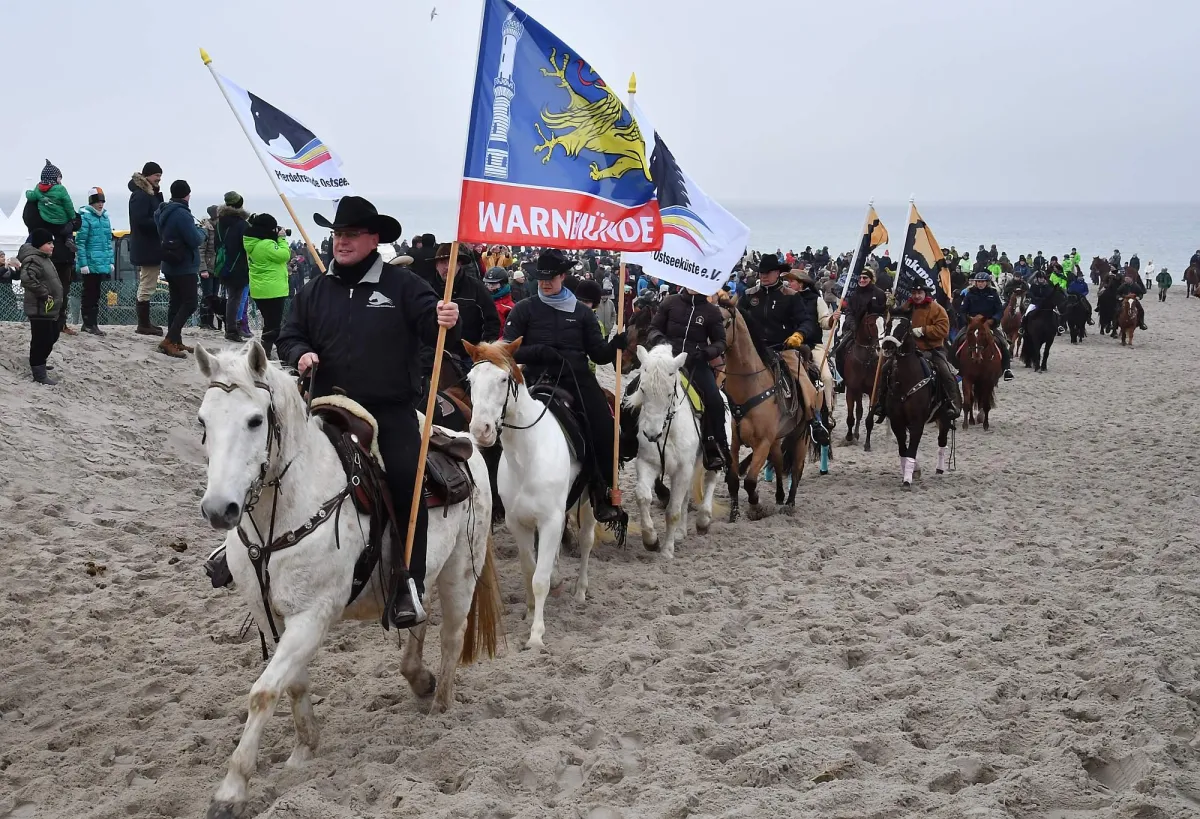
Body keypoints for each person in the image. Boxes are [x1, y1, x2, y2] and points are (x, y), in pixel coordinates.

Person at [277, 196, 457, 629]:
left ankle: (408, 584)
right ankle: (241, 552)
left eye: (352, 234)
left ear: (374, 239)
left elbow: (434, 326)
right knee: (273, 464)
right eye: (338, 234)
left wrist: (447, 317)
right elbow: (288, 334)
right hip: (325, 408)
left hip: (389, 411)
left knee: (405, 481)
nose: (342, 242)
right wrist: (300, 353)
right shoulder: (314, 290)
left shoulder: (403, 285)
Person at [502, 248, 628, 524]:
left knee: (605, 428)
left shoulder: (583, 313)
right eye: (541, 278)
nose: (545, 283)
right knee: (495, 422)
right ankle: (496, 491)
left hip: (577, 377)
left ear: (562, 276)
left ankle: (601, 491)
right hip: (536, 377)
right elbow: (507, 349)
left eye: (551, 278)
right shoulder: (524, 309)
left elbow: (598, 354)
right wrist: (539, 352)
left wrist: (615, 346)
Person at [738, 254, 830, 444]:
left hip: (782, 348)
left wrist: (799, 335)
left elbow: (806, 321)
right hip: (754, 350)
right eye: (761, 272)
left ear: (778, 273)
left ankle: (815, 421)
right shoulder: (749, 295)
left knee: (803, 379)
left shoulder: (791, 296)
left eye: (768, 272)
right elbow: (737, 319)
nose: (763, 276)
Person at [645, 287, 729, 470]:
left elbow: (721, 342)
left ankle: (714, 445)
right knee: (638, 389)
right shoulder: (669, 302)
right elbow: (653, 329)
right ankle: (628, 437)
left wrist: (706, 352)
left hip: (695, 363)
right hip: (666, 361)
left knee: (714, 400)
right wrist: (661, 342)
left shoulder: (711, 311)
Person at [873, 281, 960, 423]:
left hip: (931, 349)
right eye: (914, 293)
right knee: (885, 368)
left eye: (919, 293)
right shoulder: (907, 306)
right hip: (907, 350)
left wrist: (924, 330)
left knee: (945, 372)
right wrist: (890, 306)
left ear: (925, 293)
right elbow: (894, 318)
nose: (917, 296)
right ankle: (882, 403)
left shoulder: (937, 309)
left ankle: (953, 404)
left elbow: (943, 329)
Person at [419, 243, 500, 371]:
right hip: (432, 357)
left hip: (468, 357)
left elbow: (492, 322)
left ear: (459, 264)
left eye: (451, 261)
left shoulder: (476, 288)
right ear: (436, 265)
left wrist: (481, 352)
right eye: (442, 262)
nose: (447, 267)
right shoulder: (426, 289)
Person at [152, 180, 207, 358]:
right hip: (185, 265)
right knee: (190, 302)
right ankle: (169, 340)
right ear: (187, 195)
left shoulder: (162, 212)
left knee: (175, 303)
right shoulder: (182, 214)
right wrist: (204, 231)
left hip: (170, 262)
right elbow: (194, 240)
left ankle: (176, 340)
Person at [244, 213, 292, 358]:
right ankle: (267, 354)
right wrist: (282, 239)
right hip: (273, 290)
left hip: (260, 290)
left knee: (270, 323)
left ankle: (266, 352)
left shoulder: (252, 244)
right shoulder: (266, 245)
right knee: (274, 325)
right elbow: (284, 255)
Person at [19, 229, 63, 385]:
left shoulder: (45, 258)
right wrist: (44, 293)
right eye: (48, 243)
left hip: (49, 309)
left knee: (53, 335)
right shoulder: (33, 259)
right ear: (39, 245)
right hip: (39, 308)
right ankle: (38, 372)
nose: (52, 246)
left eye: (52, 243)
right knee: (41, 340)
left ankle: (41, 362)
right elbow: (27, 278)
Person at [128, 162, 165, 336]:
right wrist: (160, 224)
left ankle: (145, 322)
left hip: (149, 246)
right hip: (147, 247)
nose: (158, 179)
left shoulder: (149, 194)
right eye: (156, 175)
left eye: (160, 176)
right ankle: (143, 324)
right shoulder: (140, 195)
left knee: (148, 282)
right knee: (147, 283)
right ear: (147, 176)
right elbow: (141, 220)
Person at [75, 187, 114, 336]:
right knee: (89, 293)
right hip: (90, 263)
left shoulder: (104, 217)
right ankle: (88, 323)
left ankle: (93, 323)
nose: (100, 204)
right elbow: (80, 242)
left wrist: (110, 260)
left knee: (96, 294)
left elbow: (108, 241)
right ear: (91, 202)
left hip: (101, 263)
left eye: (102, 201)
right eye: (98, 201)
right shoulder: (85, 217)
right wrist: (83, 263)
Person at [960, 272, 1014, 380]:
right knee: (958, 339)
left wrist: (994, 320)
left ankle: (1007, 369)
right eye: (978, 282)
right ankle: (958, 367)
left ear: (987, 282)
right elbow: (962, 311)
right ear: (975, 282)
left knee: (1003, 343)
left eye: (982, 282)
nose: (980, 284)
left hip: (989, 324)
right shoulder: (970, 294)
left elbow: (999, 310)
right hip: (973, 324)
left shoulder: (993, 294)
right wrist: (968, 321)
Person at [216, 192, 251, 342]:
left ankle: (231, 327)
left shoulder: (220, 222)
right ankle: (231, 329)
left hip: (223, 264)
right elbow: (246, 246)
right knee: (236, 298)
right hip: (239, 265)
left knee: (232, 297)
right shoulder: (242, 224)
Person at [197, 205, 220, 330]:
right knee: (207, 295)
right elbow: (201, 250)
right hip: (208, 267)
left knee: (214, 296)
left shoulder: (219, 229)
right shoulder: (206, 230)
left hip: (217, 268)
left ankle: (211, 322)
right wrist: (203, 269)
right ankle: (204, 322)